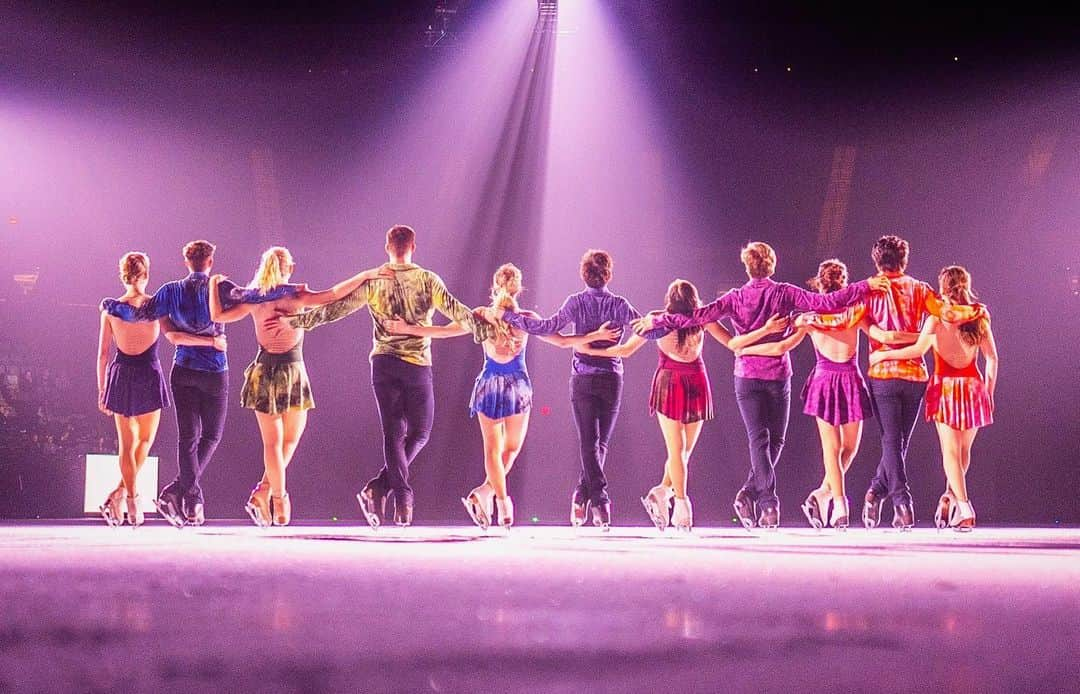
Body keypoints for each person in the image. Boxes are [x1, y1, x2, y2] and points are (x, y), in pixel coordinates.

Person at [633, 242, 890, 529]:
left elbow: (697, 316)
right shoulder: (783, 292)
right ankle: (767, 503)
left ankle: (749, 494)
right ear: (772, 264)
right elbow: (827, 303)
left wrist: (660, 317)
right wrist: (865, 285)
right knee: (765, 441)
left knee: (767, 442)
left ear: (747, 267)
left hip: (752, 373)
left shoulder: (737, 297)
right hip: (773, 374)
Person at [283, 225, 494, 528]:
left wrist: (299, 320)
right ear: (413, 246)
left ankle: (382, 488)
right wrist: (482, 327)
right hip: (416, 363)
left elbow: (336, 309)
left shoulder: (376, 281)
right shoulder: (427, 279)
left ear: (387, 247)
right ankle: (400, 496)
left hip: (383, 362)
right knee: (419, 432)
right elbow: (454, 309)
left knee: (395, 432)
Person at [385, 263, 617, 530]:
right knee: (510, 449)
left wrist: (407, 328)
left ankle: (495, 498)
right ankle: (494, 498)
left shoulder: (482, 315)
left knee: (493, 450)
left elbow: (443, 332)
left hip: (489, 386)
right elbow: (563, 341)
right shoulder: (525, 317)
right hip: (516, 386)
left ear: (494, 287)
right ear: (518, 289)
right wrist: (596, 336)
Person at [103, 240, 294, 526]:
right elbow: (251, 296)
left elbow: (140, 313)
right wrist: (286, 291)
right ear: (210, 262)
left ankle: (182, 493)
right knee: (211, 437)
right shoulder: (221, 287)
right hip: (215, 370)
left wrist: (112, 307)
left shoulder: (169, 291)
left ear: (186, 262)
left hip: (184, 369)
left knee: (188, 438)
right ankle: (188, 497)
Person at [576, 279, 786, 531]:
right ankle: (682, 504)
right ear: (694, 300)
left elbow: (732, 343)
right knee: (677, 449)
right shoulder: (660, 321)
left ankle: (662, 491)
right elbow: (628, 349)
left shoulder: (697, 319)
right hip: (671, 383)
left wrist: (589, 350)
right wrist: (590, 351)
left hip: (695, 382)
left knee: (683, 453)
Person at [207, 247, 387, 527]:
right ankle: (275, 499)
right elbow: (333, 294)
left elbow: (217, 316)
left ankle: (268, 495)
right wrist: (365, 275)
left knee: (275, 443)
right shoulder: (295, 296)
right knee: (285, 441)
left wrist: (211, 286)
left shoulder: (254, 299)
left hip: (265, 371)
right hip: (291, 370)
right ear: (288, 268)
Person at [735, 259, 919, 530]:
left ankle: (824, 493)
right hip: (832, 379)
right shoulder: (825, 315)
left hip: (840, 379)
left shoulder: (828, 315)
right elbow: (881, 334)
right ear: (843, 283)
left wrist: (747, 350)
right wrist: (916, 338)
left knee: (845, 448)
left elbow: (781, 347)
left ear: (820, 284)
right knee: (837, 448)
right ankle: (839, 506)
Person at [488, 249, 660, 530]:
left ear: (583, 274)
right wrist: (665, 321)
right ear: (608, 274)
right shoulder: (619, 304)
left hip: (584, 377)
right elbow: (645, 330)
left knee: (592, 443)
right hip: (610, 377)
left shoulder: (576, 302)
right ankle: (599, 500)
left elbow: (547, 326)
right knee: (596, 443)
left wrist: (510, 318)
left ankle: (583, 495)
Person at [860, 235, 982, 529]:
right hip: (915, 374)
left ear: (877, 260)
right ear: (905, 259)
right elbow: (948, 315)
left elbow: (856, 319)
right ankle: (878, 492)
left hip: (885, 373)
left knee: (893, 441)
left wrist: (884, 336)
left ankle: (901, 502)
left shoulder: (868, 290)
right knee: (897, 442)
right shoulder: (922, 289)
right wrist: (976, 310)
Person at [95, 252, 172, 526]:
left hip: (128, 374)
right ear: (146, 274)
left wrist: (102, 389)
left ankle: (119, 494)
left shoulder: (112, 309)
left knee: (132, 443)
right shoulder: (154, 307)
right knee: (139, 442)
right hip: (142, 373)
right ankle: (131, 497)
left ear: (124, 276)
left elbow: (102, 355)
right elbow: (173, 335)